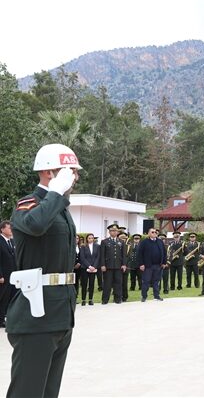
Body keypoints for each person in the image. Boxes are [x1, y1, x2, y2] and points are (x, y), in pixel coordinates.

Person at [6, 143, 81, 397]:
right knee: (27, 392)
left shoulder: (61, 208)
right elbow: (36, 225)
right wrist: (56, 193)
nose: (76, 177)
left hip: (60, 312)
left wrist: (58, 197)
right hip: (35, 315)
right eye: (70, 171)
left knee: (49, 392)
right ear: (50, 172)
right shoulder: (29, 203)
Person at [99, 223, 126, 304]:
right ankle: (105, 300)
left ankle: (117, 299)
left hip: (118, 266)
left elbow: (124, 254)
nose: (114, 232)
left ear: (118, 232)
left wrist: (124, 264)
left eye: (115, 231)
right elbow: (102, 254)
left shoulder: (121, 241)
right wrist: (103, 265)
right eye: (112, 231)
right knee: (107, 283)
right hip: (108, 266)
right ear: (109, 232)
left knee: (118, 283)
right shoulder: (104, 242)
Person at [137, 228, 167, 302]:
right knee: (146, 281)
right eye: (152, 232)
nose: (154, 233)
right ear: (149, 233)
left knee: (156, 281)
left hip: (158, 265)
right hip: (148, 266)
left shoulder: (160, 241)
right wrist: (141, 264)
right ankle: (144, 296)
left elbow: (164, 252)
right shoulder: (144, 242)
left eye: (156, 232)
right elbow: (139, 254)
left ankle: (156, 296)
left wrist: (164, 263)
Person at [0, 220, 17, 327]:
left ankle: (7, 317)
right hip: (4, 276)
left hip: (13, 276)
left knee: (11, 297)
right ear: (2, 229)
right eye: (9, 228)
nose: (11, 230)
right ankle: (1, 319)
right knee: (2, 298)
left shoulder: (12, 241)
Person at [79, 233, 100, 306]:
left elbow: (98, 257)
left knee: (91, 284)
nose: (91, 239)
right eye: (89, 238)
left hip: (94, 268)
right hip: (85, 268)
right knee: (84, 284)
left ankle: (91, 299)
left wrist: (94, 266)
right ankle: (83, 299)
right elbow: (82, 258)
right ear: (87, 239)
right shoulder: (83, 247)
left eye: (92, 238)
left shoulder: (97, 246)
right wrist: (89, 266)